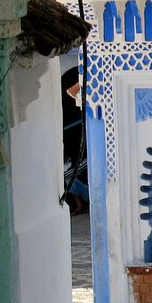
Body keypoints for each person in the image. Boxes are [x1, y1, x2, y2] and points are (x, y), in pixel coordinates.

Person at [61, 67, 89, 215]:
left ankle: (82, 203)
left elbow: (71, 93)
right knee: (70, 172)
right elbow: (70, 93)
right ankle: (79, 204)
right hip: (73, 136)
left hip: (79, 133)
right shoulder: (64, 98)